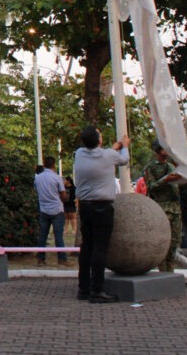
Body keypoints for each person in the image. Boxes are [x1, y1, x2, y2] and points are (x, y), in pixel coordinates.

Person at [73, 126, 129, 303]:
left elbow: (103, 155)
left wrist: (114, 147)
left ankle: (84, 288)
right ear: (98, 140)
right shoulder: (109, 156)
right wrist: (124, 146)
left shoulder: (79, 154)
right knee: (100, 248)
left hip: (85, 206)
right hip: (102, 207)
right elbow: (123, 160)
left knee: (87, 246)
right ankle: (97, 289)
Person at [143, 140, 183, 272]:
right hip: (162, 208)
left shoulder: (171, 166)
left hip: (175, 208)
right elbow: (150, 186)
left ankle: (170, 272)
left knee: (174, 242)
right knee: (163, 242)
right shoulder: (151, 167)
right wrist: (165, 180)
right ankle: (163, 272)